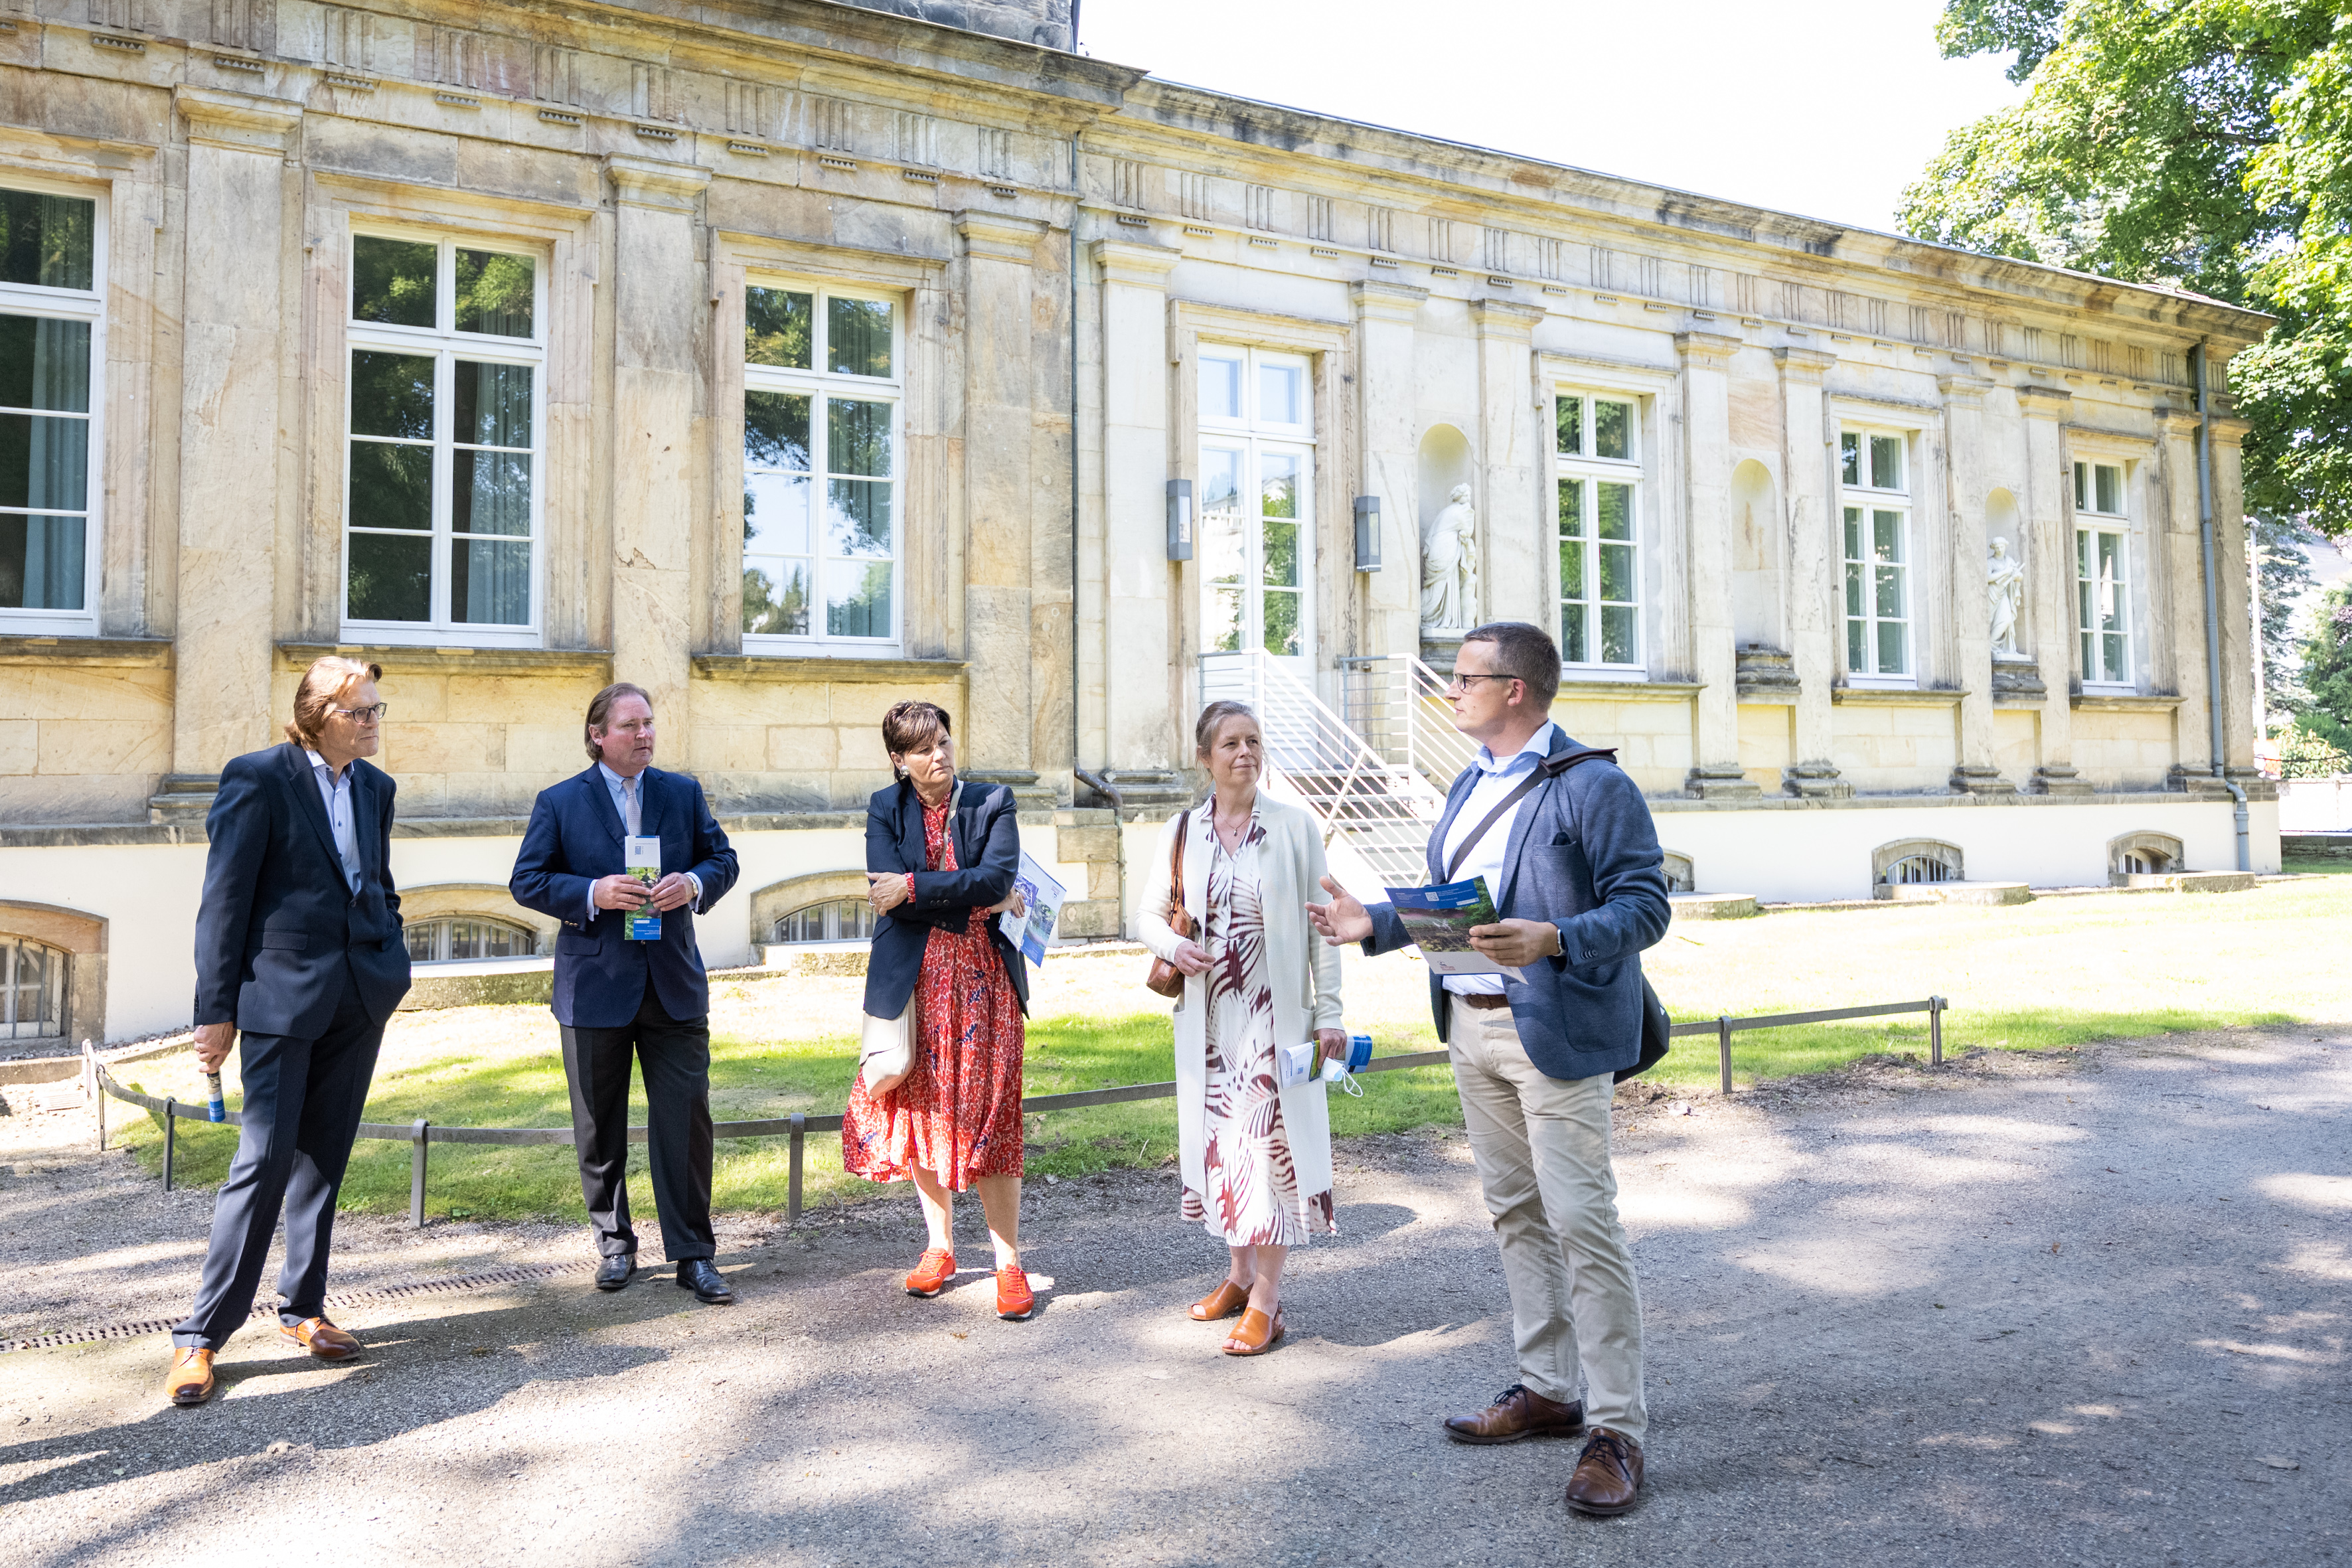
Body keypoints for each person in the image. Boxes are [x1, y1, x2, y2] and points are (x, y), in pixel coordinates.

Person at [1306, 621, 1671, 1517]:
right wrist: (1378, 924)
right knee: (1514, 1211)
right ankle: (1548, 1388)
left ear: (1514, 688)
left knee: (1581, 1219)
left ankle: (1616, 1428)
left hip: (1556, 1028)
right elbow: (1458, 907)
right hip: (1468, 1026)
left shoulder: (1593, 783)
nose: (1448, 692)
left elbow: (1646, 905)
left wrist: (1556, 938)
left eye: (1463, 678)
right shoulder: (1467, 781)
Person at [165, 657, 414, 1407]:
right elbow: (224, 901)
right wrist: (216, 1011)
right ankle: (200, 1336)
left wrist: (389, 957)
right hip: (277, 1000)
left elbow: (378, 882)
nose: (373, 722)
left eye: (376, 709)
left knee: (323, 1160)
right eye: (359, 712)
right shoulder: (257, 778)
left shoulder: (376, 788)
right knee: (264, 1161)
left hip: (359, 996)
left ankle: (303, 1308)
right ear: (317, 717)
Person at [509, 682, 741, 1304]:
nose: (645, 735)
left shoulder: (682, 793)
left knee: (684, 1125)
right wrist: (591, 893)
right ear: (598, 735)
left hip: (673, 985)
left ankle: (694, 1255)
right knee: (599, 1127)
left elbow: (724, 860)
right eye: (631, 725)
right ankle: (615, 1246)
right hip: (595, 988)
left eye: (650, 723)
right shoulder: (560, 802)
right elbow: (527, 881)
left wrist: (692, 883)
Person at [1141, 700, 1346, 1356]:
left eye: (1254, 741)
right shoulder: (1184, 830)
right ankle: (1237, 1276)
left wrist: (1332, 1015)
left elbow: (1329, 930)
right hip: (1209, 1026)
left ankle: (1267, 1301)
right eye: (1230, 743)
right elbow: (1147, 916)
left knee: (1269, 1156)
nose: (1245, 753)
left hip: (1275, 1022)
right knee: (1224, 1154)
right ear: (1206, 757)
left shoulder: (1293, 827)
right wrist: (1175, 951)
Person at [843, 700, 1036, 1320]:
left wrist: (919, 887)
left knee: (992, 1117)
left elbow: (995, 878)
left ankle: (1008, 1263)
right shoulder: (884, 807)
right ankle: (940, 1248)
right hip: (916, 988)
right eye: (925, 749)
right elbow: (886, 893)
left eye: (946, 743)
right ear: (899, 760)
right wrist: (962, 893)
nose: (941, 756)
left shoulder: (992, 801)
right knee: (923, 1112)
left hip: (985, 984)